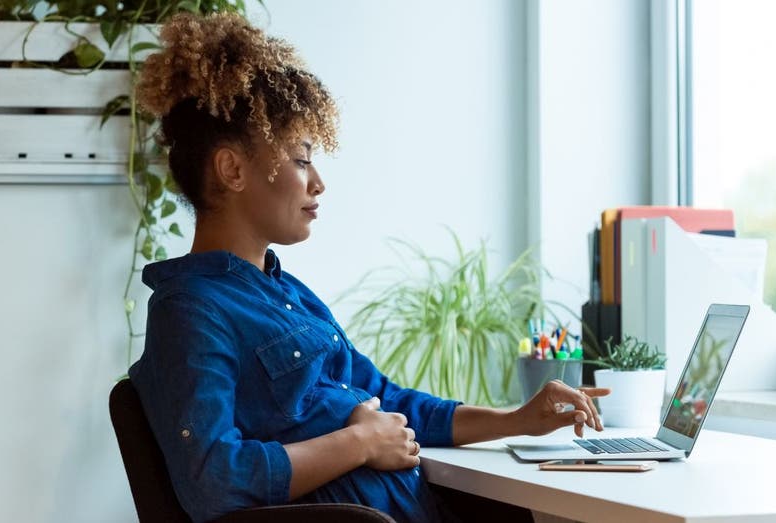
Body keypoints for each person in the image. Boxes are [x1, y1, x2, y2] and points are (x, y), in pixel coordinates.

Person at [128, 12, 609, 523]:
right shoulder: (192, 310)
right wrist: (358, 442)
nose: (318, 182)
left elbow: (391, 400)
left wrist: (515, 419)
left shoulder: (290, 295)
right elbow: (213, 480)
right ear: (233, 170)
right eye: (300, 159)